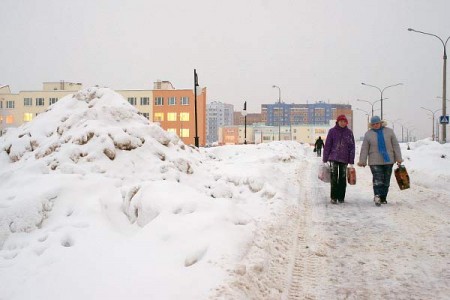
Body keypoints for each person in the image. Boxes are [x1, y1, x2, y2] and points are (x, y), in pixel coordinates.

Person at [357, 116, 403, 206]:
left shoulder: (389, 132)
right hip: (374, 160)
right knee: (378, 179)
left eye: (377, 123)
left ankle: (383, 197)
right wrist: (362, 161)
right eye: (373, 124)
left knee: (386, 180)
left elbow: (395, 145)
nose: (375, 125)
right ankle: (377, 196)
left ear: (381, 123)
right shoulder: (368, 134)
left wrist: (399, 158)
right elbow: (365, 148)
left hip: (388, 160)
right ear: (371, 125)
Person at [322, 115, 355, 204]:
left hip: (344, 159)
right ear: (338, 122)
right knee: (334, 177)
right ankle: (333, 197)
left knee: (342, 178)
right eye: (341, 121)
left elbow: (352, 147)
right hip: (333, 158)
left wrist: (351, 160)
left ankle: (341, 197)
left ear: (346, 123)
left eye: (344, 121)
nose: (342, 123)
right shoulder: (332, 131)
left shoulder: (349, 133)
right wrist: (325, 158)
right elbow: (327, 145)